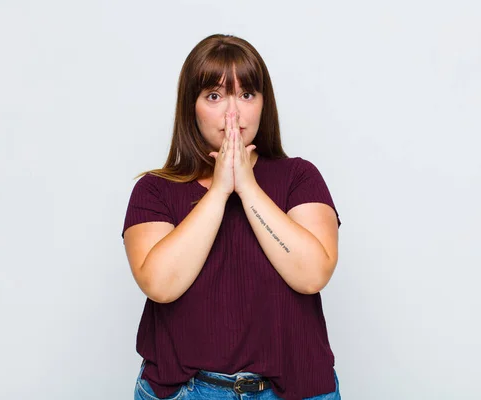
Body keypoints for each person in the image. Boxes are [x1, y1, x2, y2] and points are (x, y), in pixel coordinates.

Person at [121, 34, 342, 400]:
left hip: (295, 391)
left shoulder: (299, 177)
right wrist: (220, 190)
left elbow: (312, 275)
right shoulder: (154, 190)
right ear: (190, 107)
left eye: (246, 94)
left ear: (262, 104)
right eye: (214, 96)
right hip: (187, 391)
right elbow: (160, 284)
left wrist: (249, 188)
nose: (233, 114)